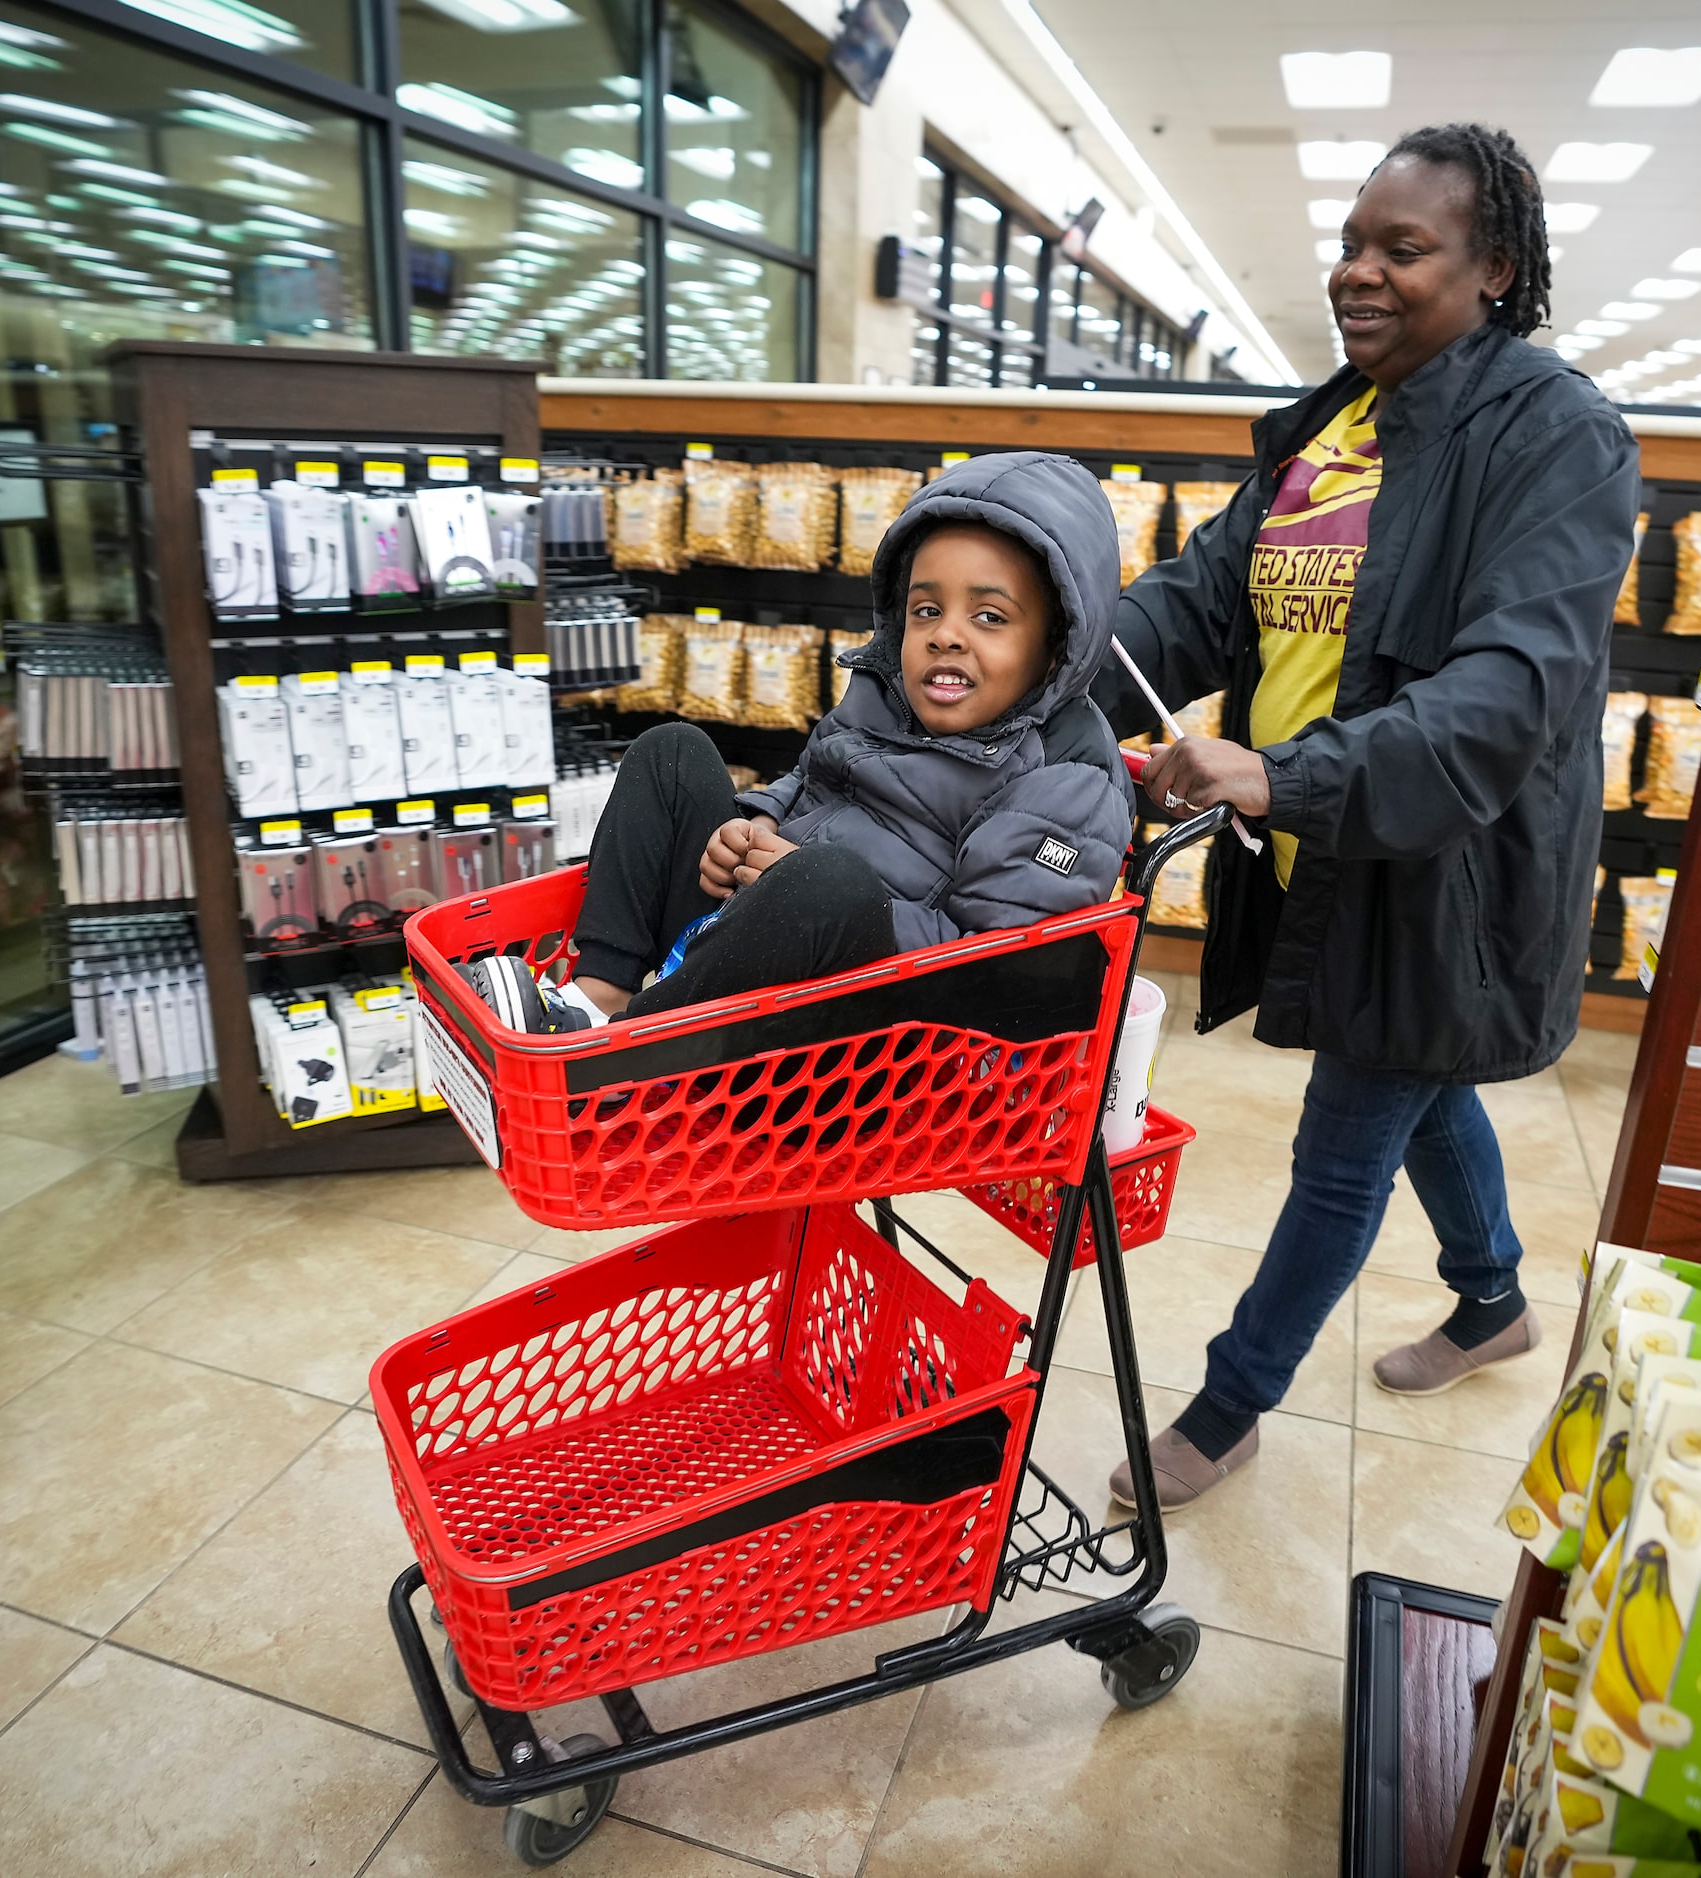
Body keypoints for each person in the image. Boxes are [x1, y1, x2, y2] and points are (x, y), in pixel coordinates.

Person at [1100, 122, 1640, 1511]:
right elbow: (1200, 602)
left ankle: (1227, 1407)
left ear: (1495, 268)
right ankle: (1492, 1298)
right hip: (1320, 847)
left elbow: (1510, 689)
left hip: (1440, 863)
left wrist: (1281, 774)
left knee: (1345, 1140)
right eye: (1351, 244)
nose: (1360, 273)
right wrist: (1042, 662)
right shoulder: (1330, 423)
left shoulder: (1557, 433)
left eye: (1403, 249)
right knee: (1413, 1069)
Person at [463, 451, 1134, 1033]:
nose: (945, 635)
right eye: (926, 609)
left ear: (1057, 644)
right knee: (671, 752)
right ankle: (593, 998)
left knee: (828, 881)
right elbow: (813, 781)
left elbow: (997, 963)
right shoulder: (886, 692)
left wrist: (826, 897)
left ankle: (626, 1055)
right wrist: (759, 821)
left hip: (865, 1031)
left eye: (989, 617)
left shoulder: (1064, 778)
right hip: (743, 953)